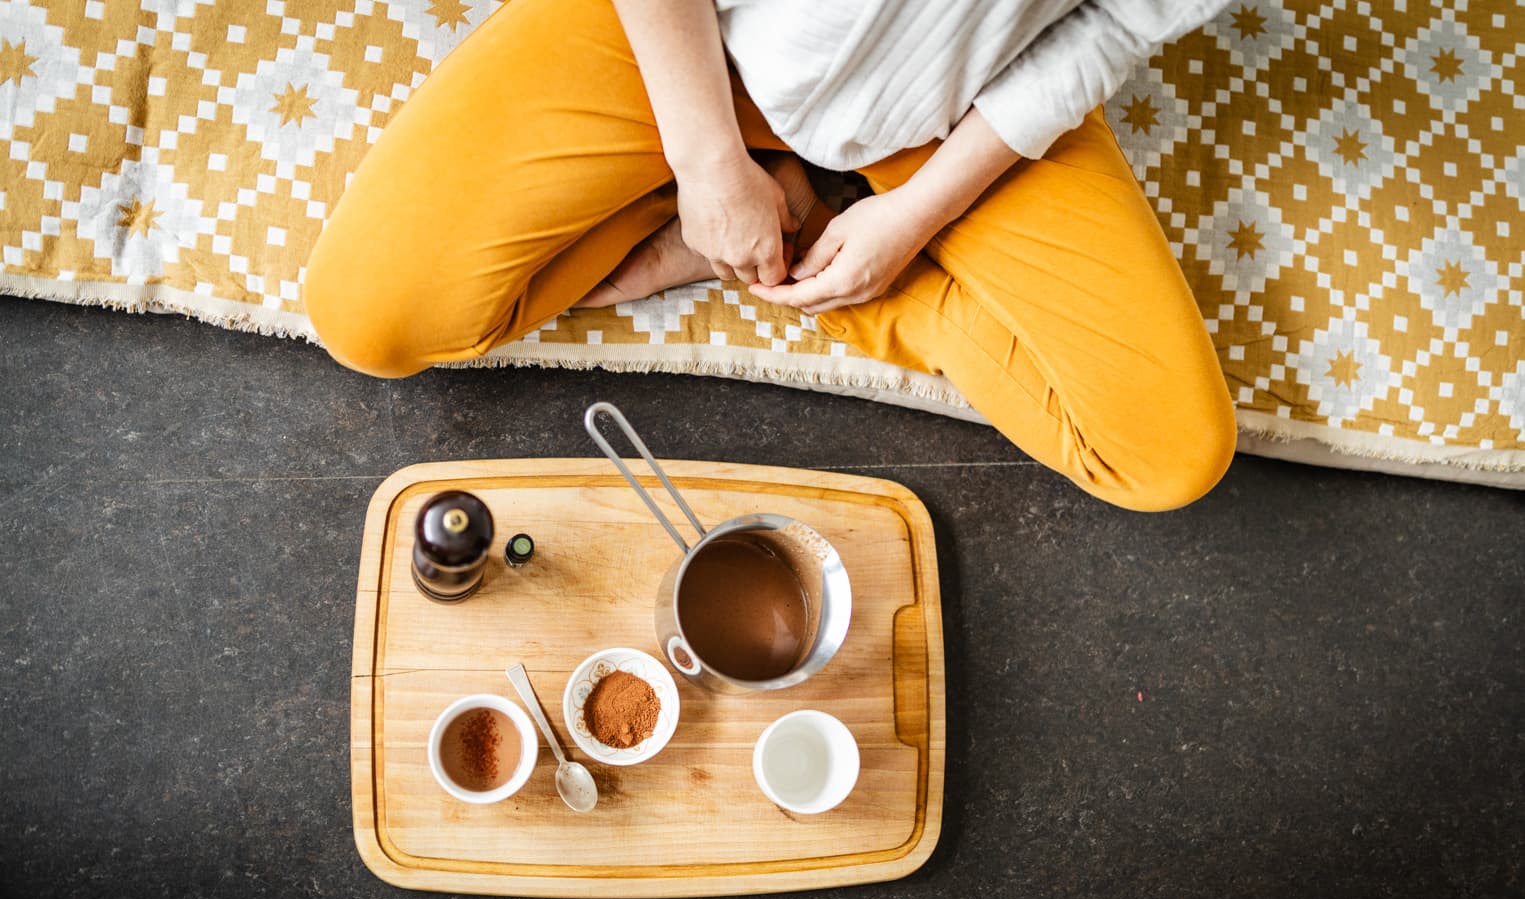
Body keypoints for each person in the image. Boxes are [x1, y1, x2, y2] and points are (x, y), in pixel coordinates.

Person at [303, 0, 1237, 511]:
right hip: (692, 35)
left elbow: (1113, 25)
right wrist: (704, 157)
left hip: (956, 105)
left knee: (1164, 455)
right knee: (370, 317)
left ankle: (799, 230)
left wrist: (910, 219)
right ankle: (756, 199)